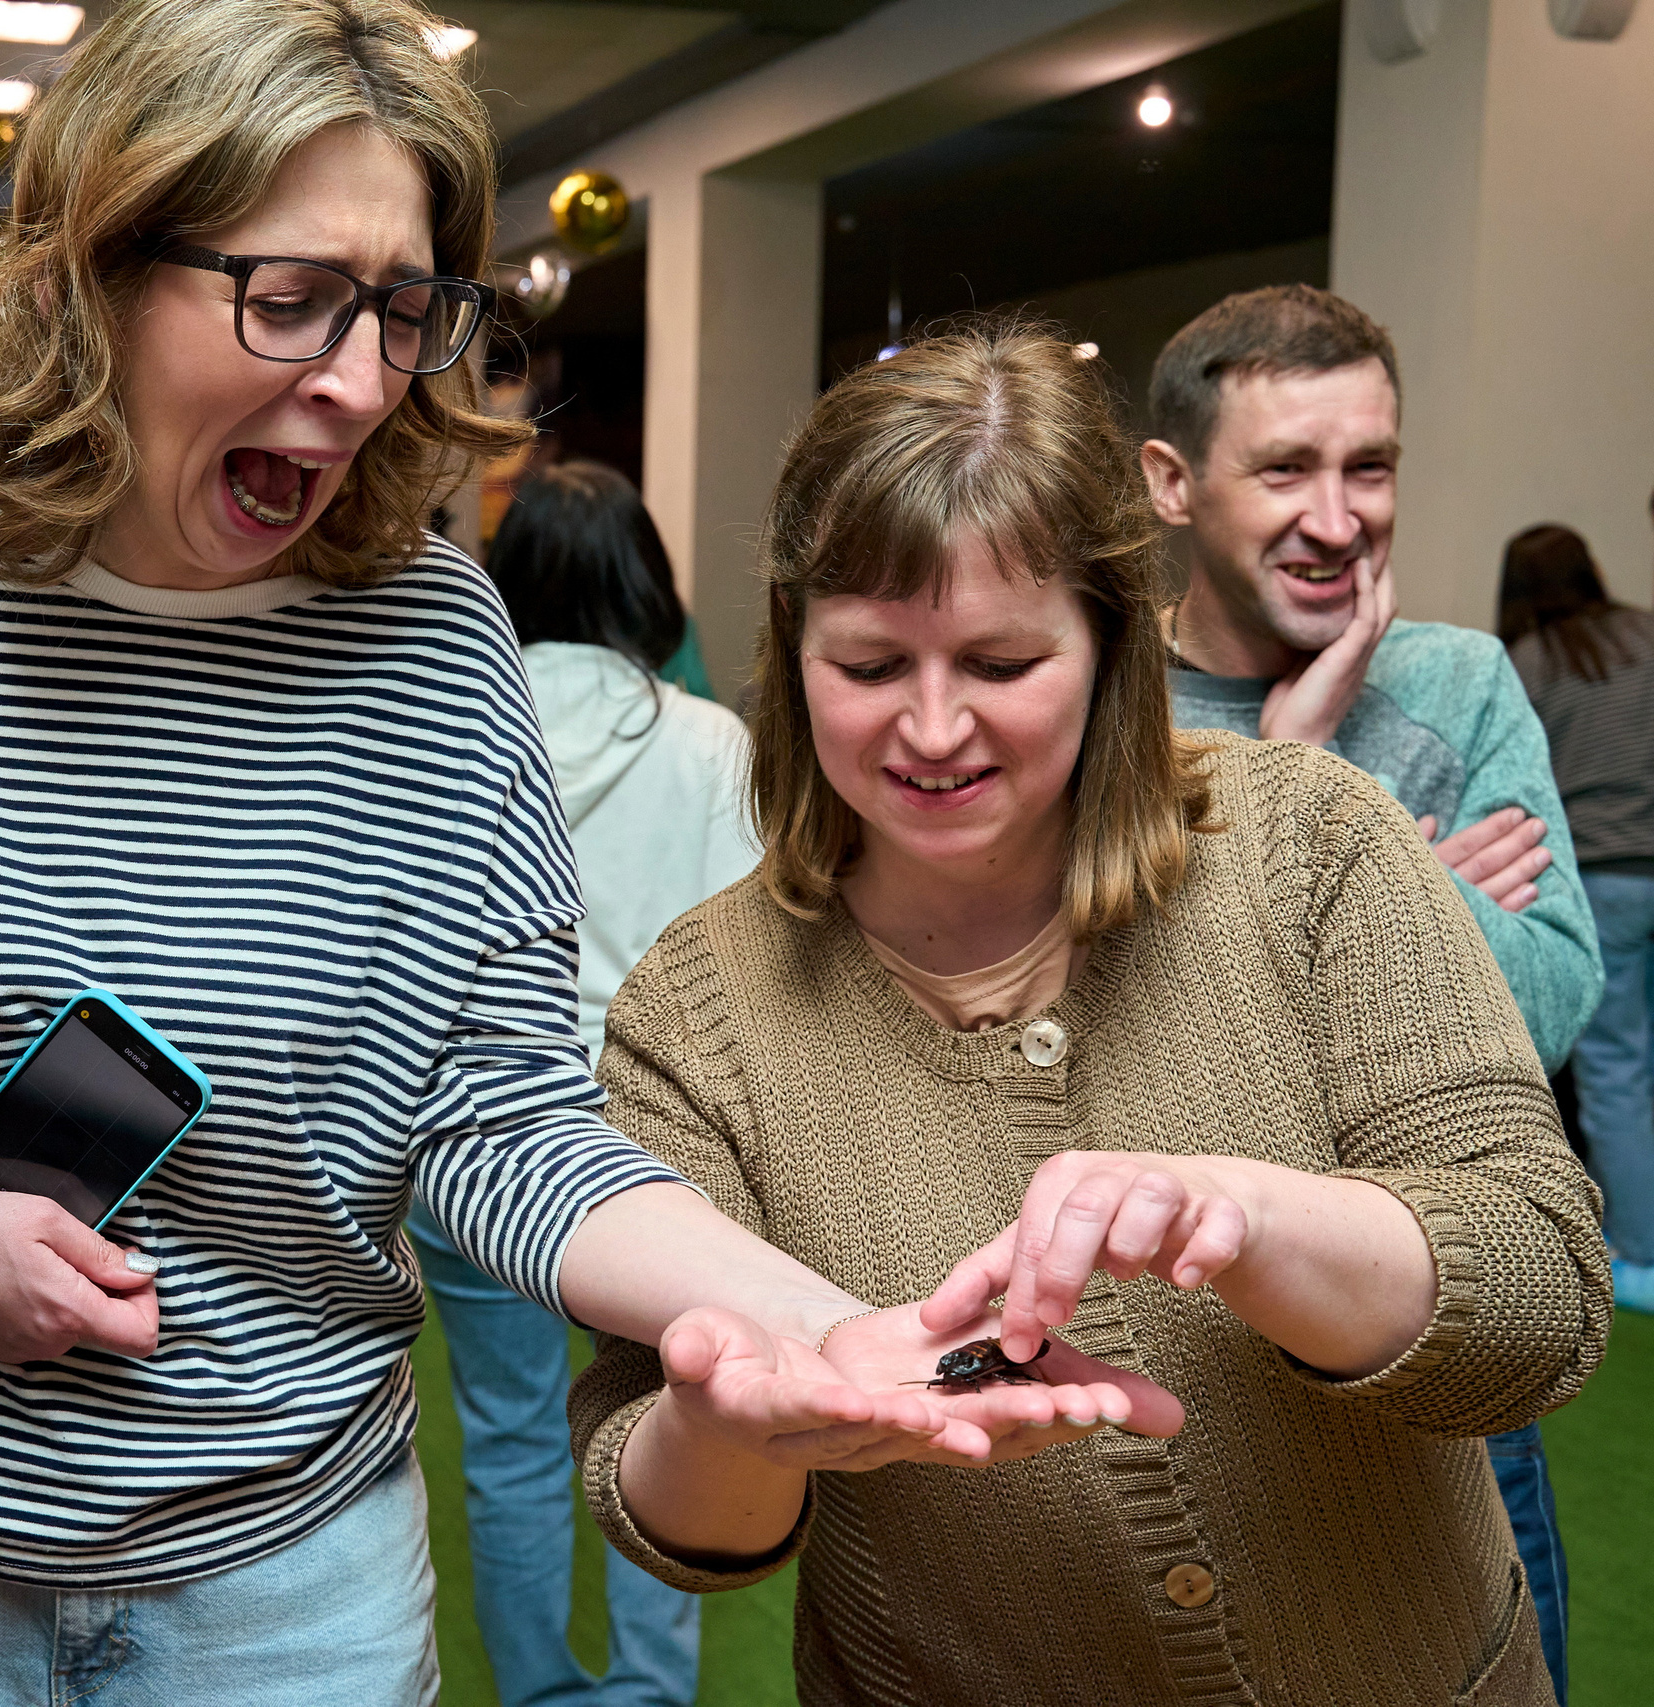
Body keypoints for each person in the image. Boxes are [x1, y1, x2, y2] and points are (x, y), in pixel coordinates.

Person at [0, 6, 1169, 1701]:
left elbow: (500, 1114)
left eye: (406, 311)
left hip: (283, 1584)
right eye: (288, 299)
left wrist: (802, 1312)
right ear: (92, 270)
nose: (363, 383)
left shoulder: (434, 642)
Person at [571, 322, 1610, 1707]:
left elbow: (1542, 1294)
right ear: (787, 650)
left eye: (1001, 664)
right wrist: (734, 1423)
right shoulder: (696, 1013)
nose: (933, 728)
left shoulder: (1310, 841)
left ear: (1111, 640)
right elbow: (678, 1520)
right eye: (870, 666)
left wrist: (1245, 1219)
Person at [1141, 284, 1604, 1699]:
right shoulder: (1097, 698)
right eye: (1286, 467)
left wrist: (1329, 792)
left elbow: (1543, 1012)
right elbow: (1156, 1057)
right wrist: (1342, 805)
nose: (1339, 518)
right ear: (1173, 480)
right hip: (1181, 1350)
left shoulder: (1458, 684)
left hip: (1442, 1351)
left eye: (1371, 466)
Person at [407, 460, 752, 1707]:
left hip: (476, 1132)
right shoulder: (707, 742)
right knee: (667, 1425)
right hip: (656, 1150)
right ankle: (651, 1694)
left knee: (505, 1445)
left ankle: (541, 1694)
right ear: (645, 583)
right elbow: (743, 955)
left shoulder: (449, 731)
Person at [1499, 521, 1654, 1315]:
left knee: (1616, 1073)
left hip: (1600, 884)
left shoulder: (1526, 666)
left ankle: (1641, 1254)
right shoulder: (1647, 635)